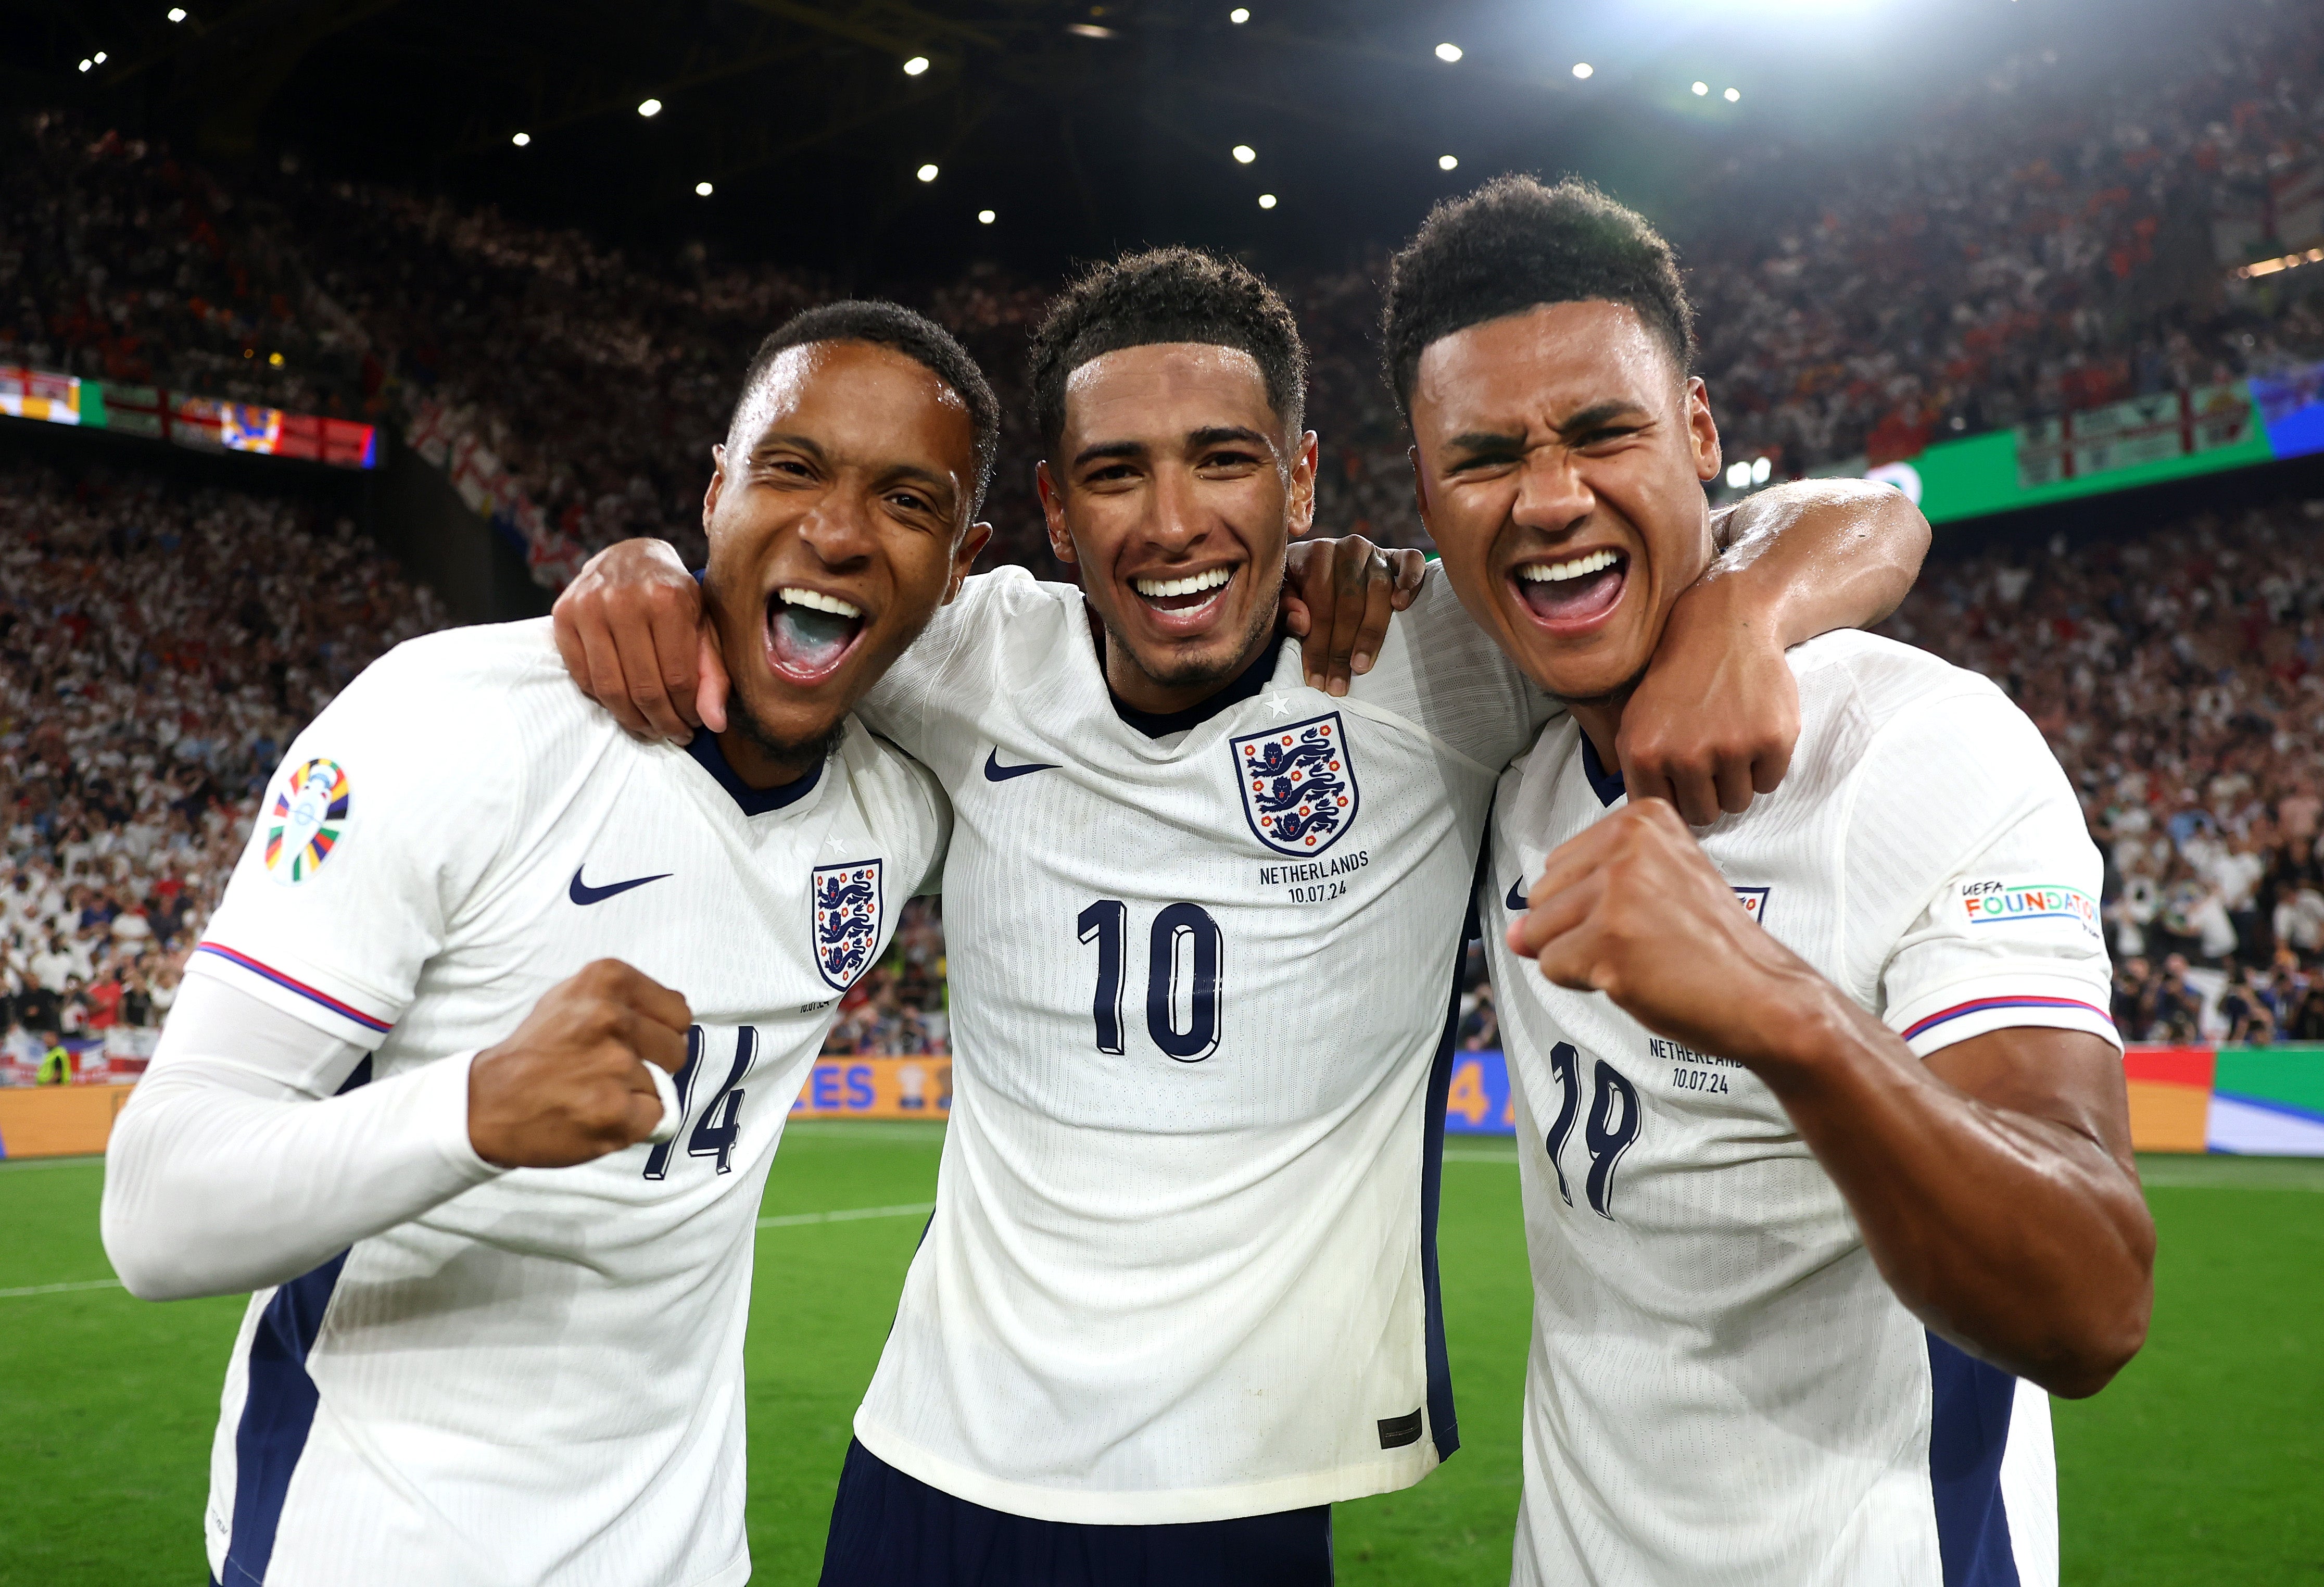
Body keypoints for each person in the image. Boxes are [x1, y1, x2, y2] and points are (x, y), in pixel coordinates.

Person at [558, 247, 1929, 1584]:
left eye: (1223, 459)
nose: (1170, 521)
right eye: (1115, 473)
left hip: (1243, 1492)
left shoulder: (1437, 662)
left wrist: (1746, 609)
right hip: (928, 1459)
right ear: (1049, 505)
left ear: (1303, 477)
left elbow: (1874, 513)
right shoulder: (963, 658)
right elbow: (772, 583)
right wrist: (642, 564)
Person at [99, 302, 991, 1587]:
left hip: (689, 1558)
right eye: (791, 469)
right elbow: (152, 1210)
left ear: (961, 563)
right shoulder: (449, 724)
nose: (840, 532)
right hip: (369, 1547)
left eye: (908, 501)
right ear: (715, 493)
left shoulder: (903, 803)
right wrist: (471, 1111)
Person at [1386, 174, 2150, 1585]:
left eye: (1605, 433)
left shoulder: (1926, 748)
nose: (1551, 499)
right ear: (1425, 493)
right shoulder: (1501, 740)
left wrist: (1780, 1010)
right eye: (1486, 456)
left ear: (1698, 436)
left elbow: (2093, 1301)